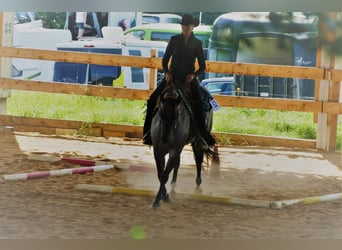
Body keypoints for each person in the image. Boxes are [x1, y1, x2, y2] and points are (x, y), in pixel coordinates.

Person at [142, 14, 216, 147]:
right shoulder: (174, 40)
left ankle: (203, 135)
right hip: (172, 77)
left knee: (199, 103)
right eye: (183, 25)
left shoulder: (197, 43)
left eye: (187, 26)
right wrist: (167, 72)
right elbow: (165, 60)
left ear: (192, 27)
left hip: (188, 79)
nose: (185, 28)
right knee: (152, 99)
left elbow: (203, 66)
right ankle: (147, 133)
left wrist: (193, 75)